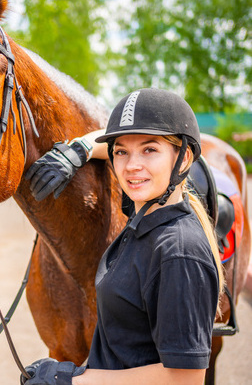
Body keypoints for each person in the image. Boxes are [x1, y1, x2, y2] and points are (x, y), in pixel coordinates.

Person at [22, 88, 224, 385]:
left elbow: (186, 378)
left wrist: (72, 381)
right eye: (121, 152)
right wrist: (82, 149)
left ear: (183, 160)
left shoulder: (179, 251)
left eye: (150, 149)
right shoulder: (143, 219)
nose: (131, 166)